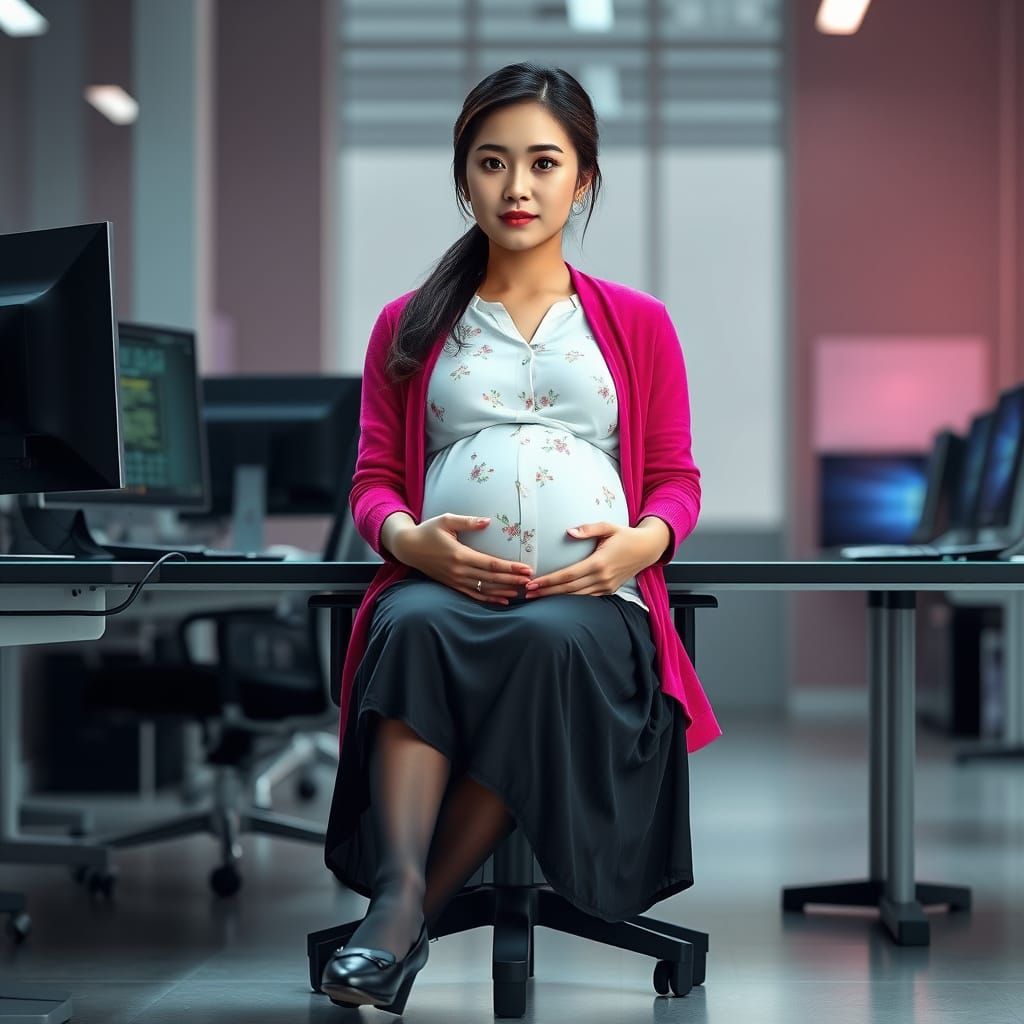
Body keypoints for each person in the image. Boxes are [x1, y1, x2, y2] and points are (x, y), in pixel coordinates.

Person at [320, 61, 722, 1012]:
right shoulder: (407, 326)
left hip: (590, 603)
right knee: (414, 626)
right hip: (442, 590)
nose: (518, 187)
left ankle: (396, 926)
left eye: (544, 163)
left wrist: (644, 543)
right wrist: (410, 542)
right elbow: (374, 482)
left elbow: (677, 478)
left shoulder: (638, 325)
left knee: (544, 645)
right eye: (493, 163)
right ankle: (403, 900)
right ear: (465, 177)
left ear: (584, 178)